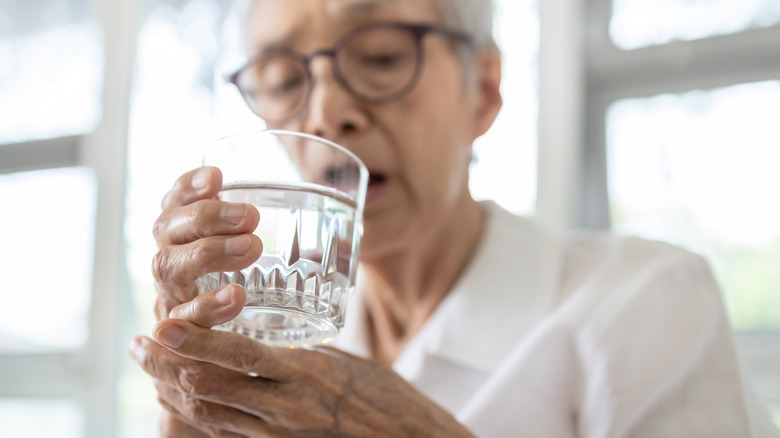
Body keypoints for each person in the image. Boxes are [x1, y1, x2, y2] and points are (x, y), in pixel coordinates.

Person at [128, 0, 780, 436]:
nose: (326, 114)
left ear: (485, 92)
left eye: (382, 55)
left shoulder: (649, 302)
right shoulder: (275, 335)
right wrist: (196, 413)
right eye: (280, 77)